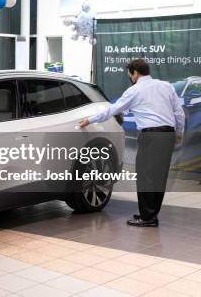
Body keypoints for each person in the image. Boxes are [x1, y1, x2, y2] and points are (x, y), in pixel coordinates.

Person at [78, 58, 185, 227]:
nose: (130, 77)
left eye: (130, 74)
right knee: (159, 176)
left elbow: (112, 110)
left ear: (135, 73)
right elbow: (179, 112)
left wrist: (89, 120)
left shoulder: (134, 90)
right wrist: (179, 132)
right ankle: (151, 214)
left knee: (145, 177)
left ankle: (147, 217)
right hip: (168, 134)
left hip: (151, 135)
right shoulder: (166, 86)